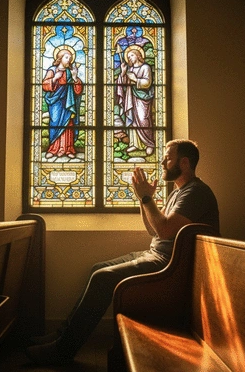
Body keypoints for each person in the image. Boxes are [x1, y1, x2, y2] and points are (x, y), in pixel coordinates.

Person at [26, 139, 220, 366]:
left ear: (184, 163)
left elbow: (164, 230)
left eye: (167, 158)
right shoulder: (179, 192)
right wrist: (142, 198)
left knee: (102, 278)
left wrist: (147, 198)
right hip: (157, 255)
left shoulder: (196, 192)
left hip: (170, 265)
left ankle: (62, 350)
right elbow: (153, 229)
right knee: (98, 268)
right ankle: (62, 334)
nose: (162, 162)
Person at [43, 48, 83, 160]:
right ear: (60, 58)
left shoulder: (71, 71)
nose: (69, 60)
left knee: (68, 124)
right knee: (55, 122)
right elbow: (45, 85)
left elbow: (79, 90)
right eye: (66, 57)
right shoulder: (52, 70)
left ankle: (69, 148)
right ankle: (53, 149)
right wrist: (55, 78)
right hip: (55, 102)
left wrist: (75, 78)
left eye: (70, 58)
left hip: (68, 102)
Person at [116, 46, 155, 155]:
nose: (130, 58)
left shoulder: (145, 67)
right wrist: (123, 73)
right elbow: (123, 84)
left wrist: (135, 79)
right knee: (132, 120)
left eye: (131, 55)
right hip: (131, 97)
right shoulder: (131, 69)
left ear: (138, 55)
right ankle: (134, 144)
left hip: (143, 98)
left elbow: (147, 83)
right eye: (128, 57)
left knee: (143, 120)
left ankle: (149, 143)